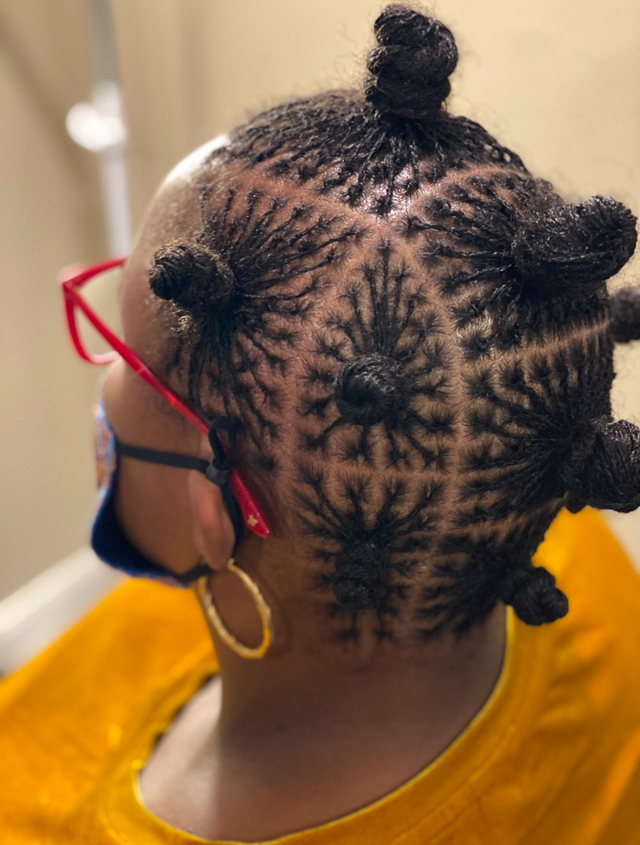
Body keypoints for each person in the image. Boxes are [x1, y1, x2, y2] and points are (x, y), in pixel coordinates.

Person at [2, 5, 640, 843]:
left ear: (215, 509)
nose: (105, 372)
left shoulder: (39, 812)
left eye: (122, 344)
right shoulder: (583, 564)